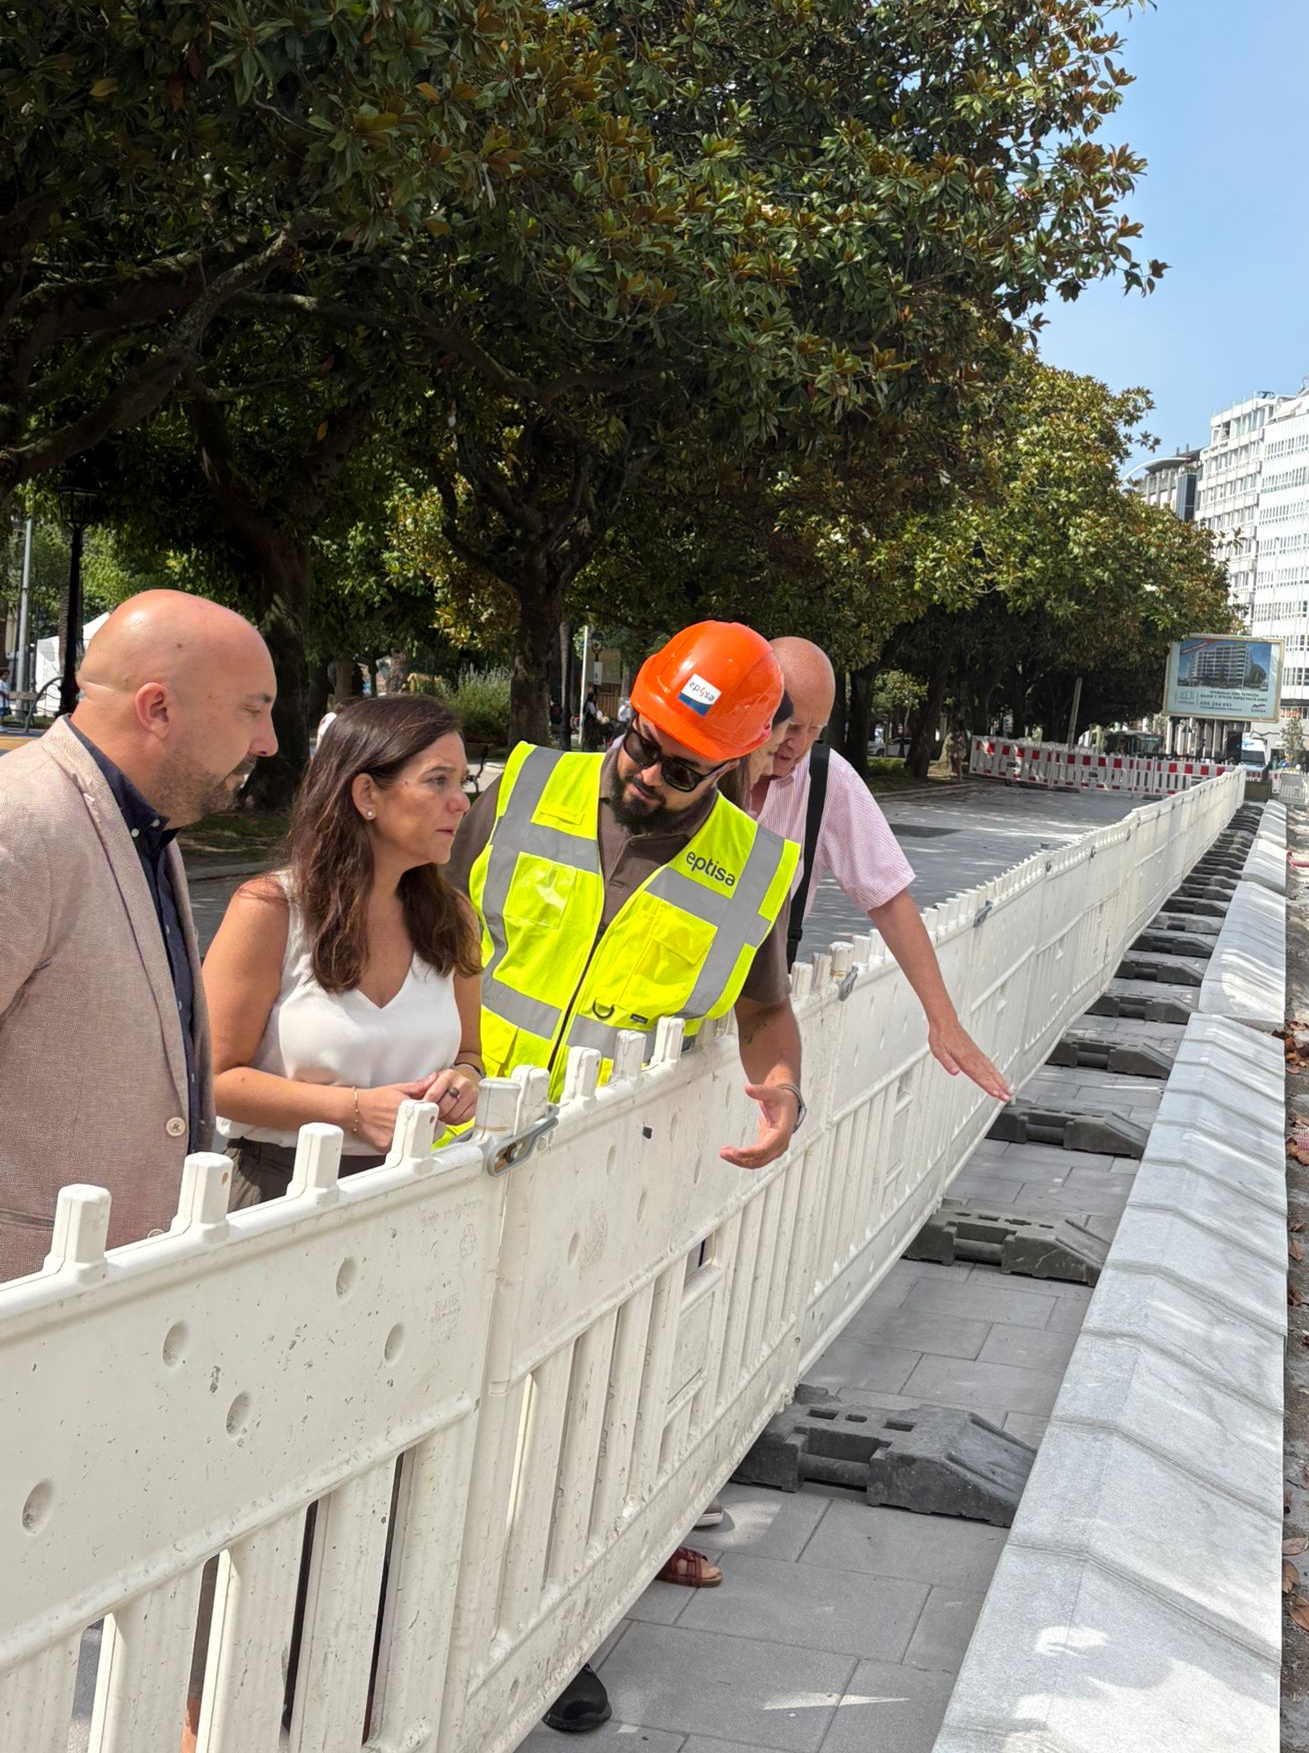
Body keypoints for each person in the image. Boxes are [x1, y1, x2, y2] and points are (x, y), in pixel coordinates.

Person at [448, 619, 803, 1735]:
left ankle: (550, 1644)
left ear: (739, 765)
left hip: (609, 1185)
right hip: (461, 1157)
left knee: (566, 1429)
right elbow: (419, 924)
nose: (645, 773)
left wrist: (782, 1088)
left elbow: (765, 1004)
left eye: (681, 766)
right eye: (639, 741)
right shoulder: (518, 789)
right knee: (444, 1417)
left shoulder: (754, 865)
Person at [0, 590, 277, 1282]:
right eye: (253, 708)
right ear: (157, 708)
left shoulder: (149, 830)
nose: (269, 742)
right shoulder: (21, 825)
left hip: (99, 1301)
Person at [203, 697, 485, 1207]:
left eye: (463, 782)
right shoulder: (270, 910)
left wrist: (464, 1082)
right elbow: (212, 1077)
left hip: (415, 1192)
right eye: (438, 779)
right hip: (279, 1194)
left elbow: (470, 1055)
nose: (462, 802)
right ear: (366, 794)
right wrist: (351, 1110)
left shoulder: (454, 920)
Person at [750, 638, 1011, 1101]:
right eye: (789, 724)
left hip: (757, 1016)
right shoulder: (697, 763)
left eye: (815, 729)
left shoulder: (826, 779)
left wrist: (943, 1020)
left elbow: (890, 900)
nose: (798, 743)